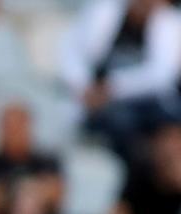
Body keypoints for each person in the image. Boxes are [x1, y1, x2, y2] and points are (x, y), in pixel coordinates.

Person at [62, 0, 181, 162]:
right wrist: (84, 88)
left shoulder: (171, 22)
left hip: (149, 104)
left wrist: (111, 88)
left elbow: (161, 75)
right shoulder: (103, 9)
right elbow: (73, 51)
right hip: (98, 103)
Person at [0, 103, 65, 214]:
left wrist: (5, 194)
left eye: (19, 127)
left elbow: (56, 195)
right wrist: (25, 192)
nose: (14, 133)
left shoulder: (46, 161)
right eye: (8, 127)